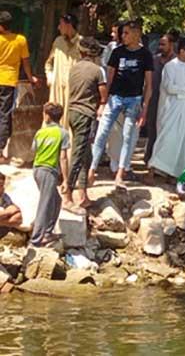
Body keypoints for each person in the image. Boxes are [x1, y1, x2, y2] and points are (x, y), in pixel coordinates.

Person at [89, 20, 153, 188]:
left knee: (127, 137)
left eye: (126, 33)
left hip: (134, 100)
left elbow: (149, 85)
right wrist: (103, 102)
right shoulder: (117, 52)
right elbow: (108, 78)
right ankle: (92, 170)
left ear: (137, 34)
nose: (122, 36)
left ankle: (120, 173)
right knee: (102, 133)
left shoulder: (145, 55)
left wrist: (144, 109)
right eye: (121, 33)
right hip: (115, 98)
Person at [65, 37, 107, 210]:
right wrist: (102, 105)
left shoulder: (74, 68)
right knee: (78, 155)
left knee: (85, 155)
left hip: (72, 113)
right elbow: (103, 94)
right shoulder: (98, 71)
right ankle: (67, 194)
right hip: (86, 115)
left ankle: (82, 194)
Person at [149, 37, 185, 181]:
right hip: (169, 109)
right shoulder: (170, 66)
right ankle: (153, 169)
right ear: (182, 51)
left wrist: (181, 92)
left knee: (183, 140)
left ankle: (175, 173)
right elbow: (169, 88)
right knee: (166, 138)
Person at [30, 103, 70, 247]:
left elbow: (34, 149)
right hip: (49, 171)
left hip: (37, 169)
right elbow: (63, 157)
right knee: (45, 204)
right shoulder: (63, 133)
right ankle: (37, 239)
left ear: (47, 116)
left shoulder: (40, 132)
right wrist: (65, 179)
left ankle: (47, 232)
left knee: (56, 200)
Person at [0, 11, 38, 164]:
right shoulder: (20, 40)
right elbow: (26, 62)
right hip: (8, 82)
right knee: (3, 115)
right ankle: (1, 151)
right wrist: (31, 78)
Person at [144, 30, 178, 164]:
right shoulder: (154, 60)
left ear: (171, 45)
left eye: (163, 44)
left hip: (169, 102)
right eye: (159, 44)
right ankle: (150, 159)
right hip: (154, 99)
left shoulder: (176, 62)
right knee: (152, 129)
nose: (160, 47)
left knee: (165, 131)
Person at [44, 13, 81, 127]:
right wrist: (50, 77)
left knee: (70, 117)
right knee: (53, 115)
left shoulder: (81, 42)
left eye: (61, 24)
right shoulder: (58, 41)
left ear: (69, 25)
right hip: (57, 87)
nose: (58, 27)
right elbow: (48, 63)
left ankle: (68, 143)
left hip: (73, 88)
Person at [0, 171, 22, 236]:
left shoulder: (5, 197)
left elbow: (18, 218)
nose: (2, 188)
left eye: (1, 185)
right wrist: (7, 212)